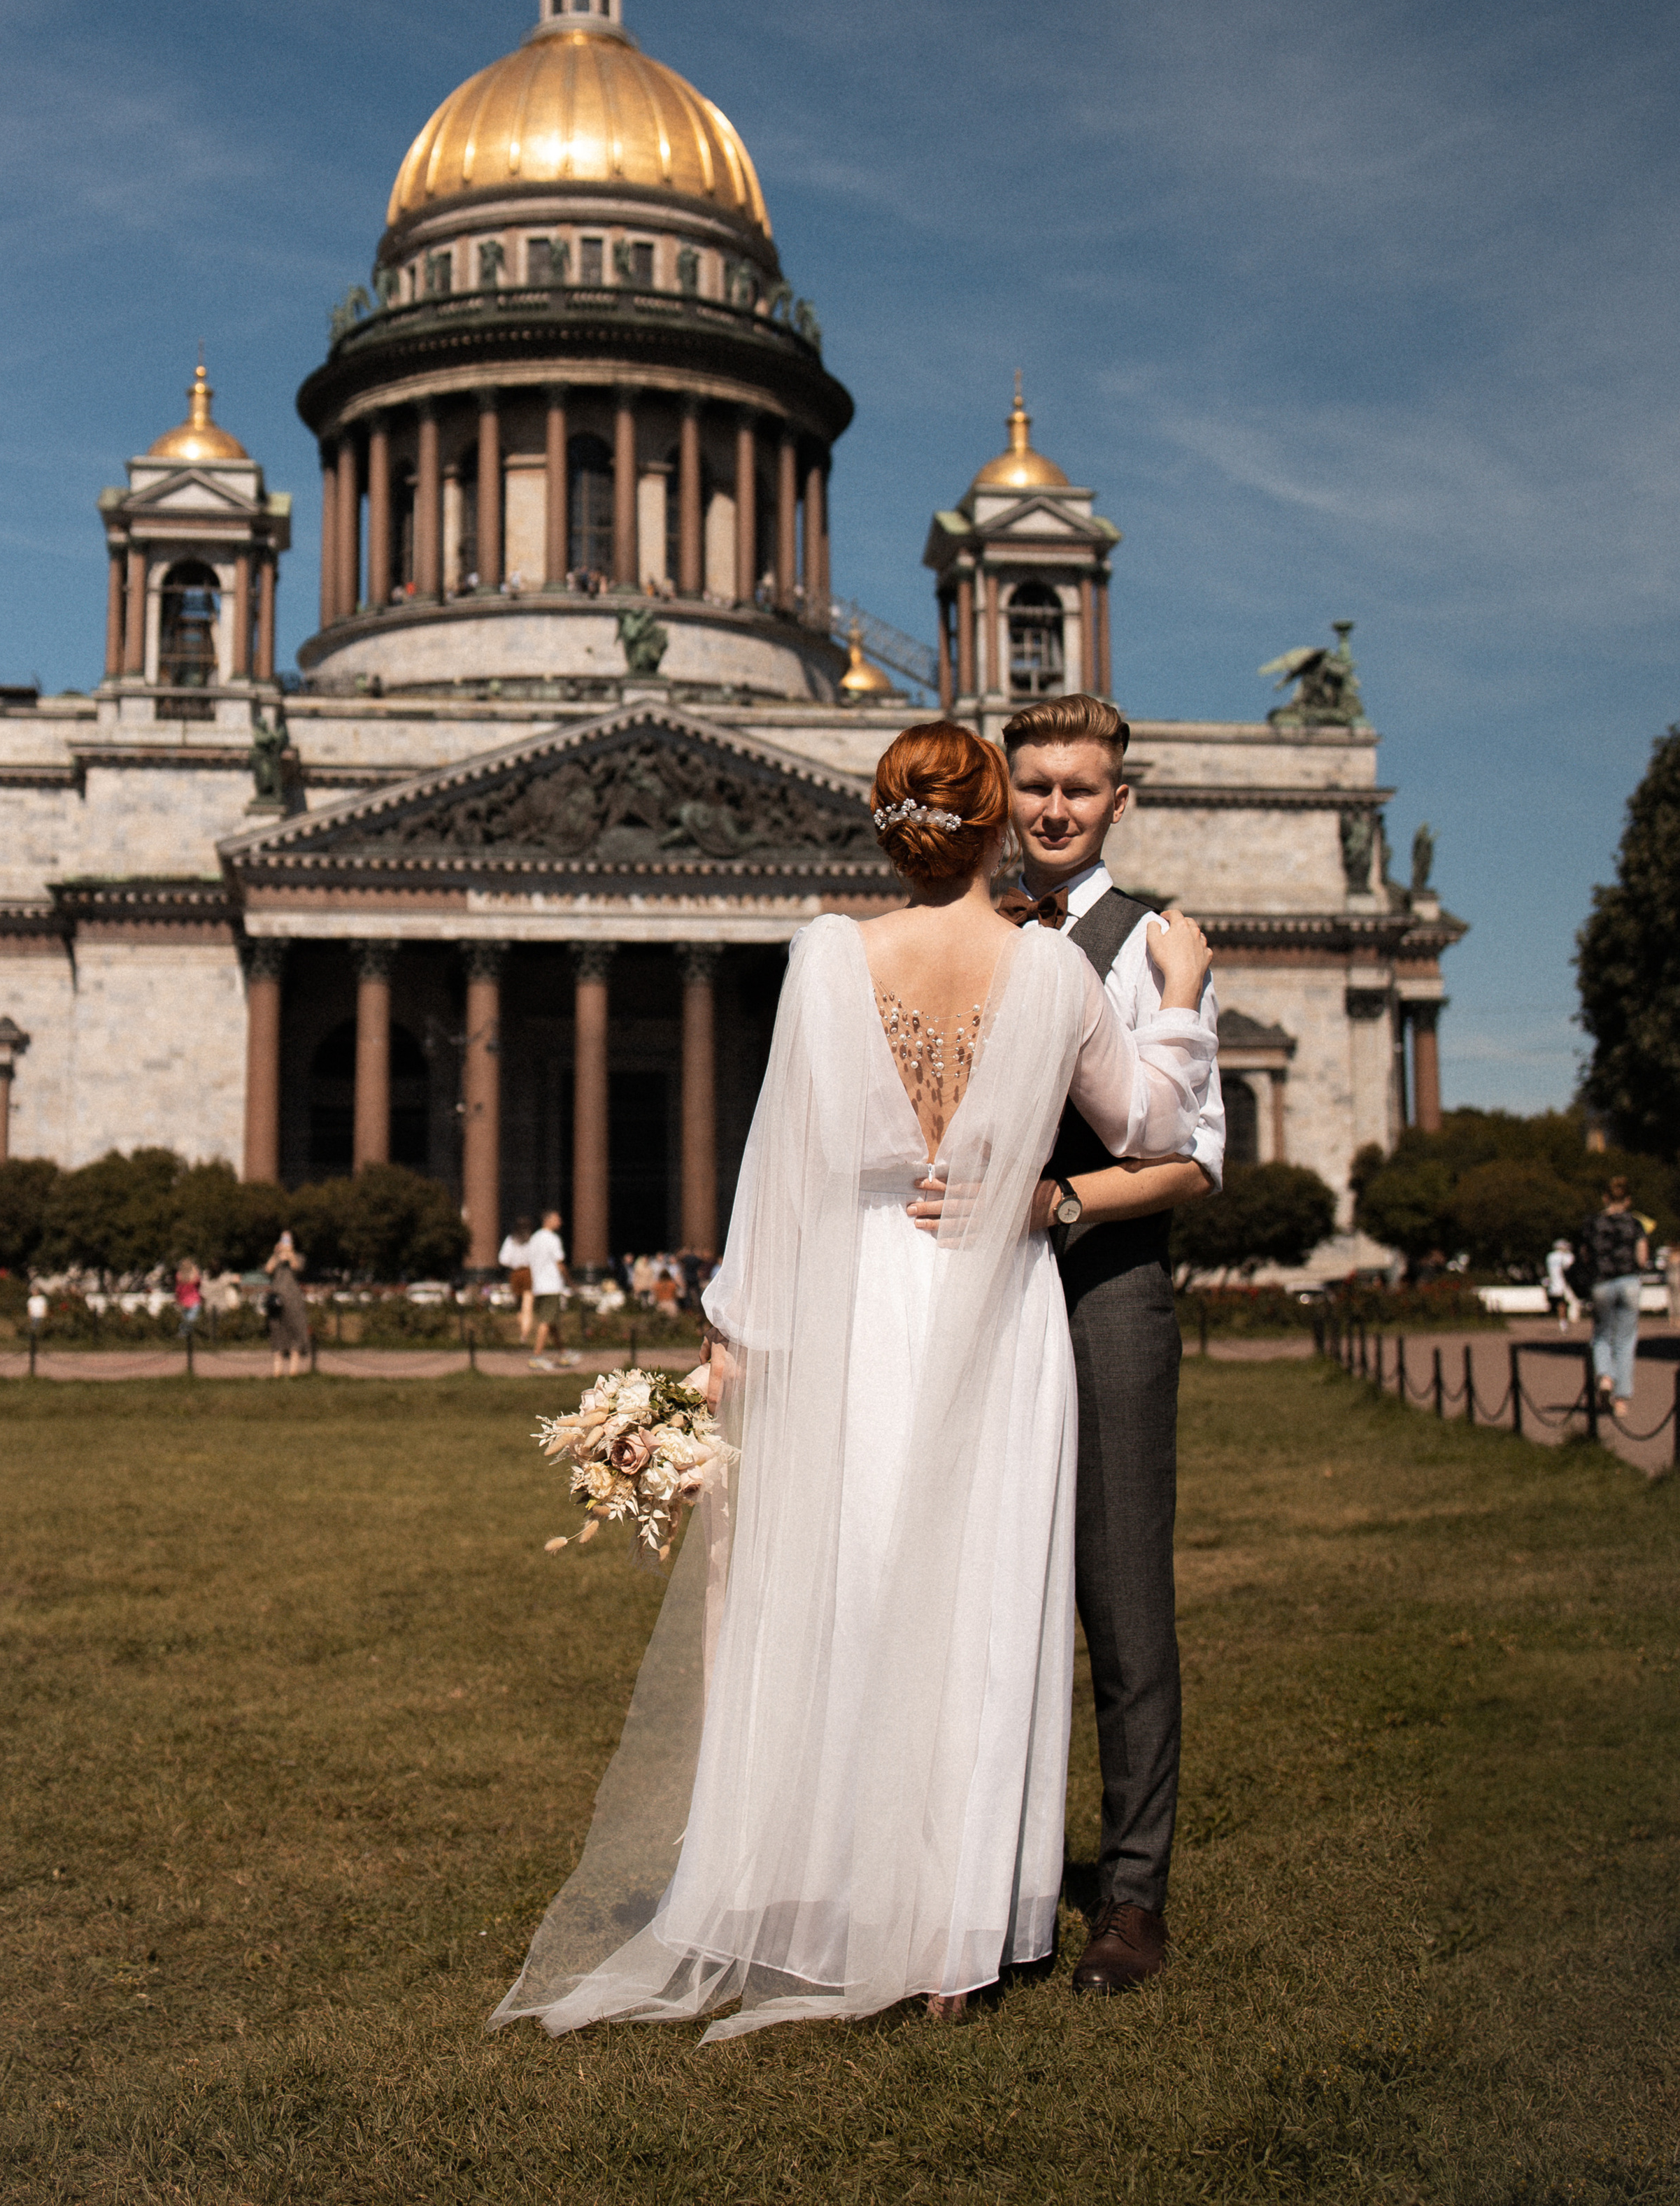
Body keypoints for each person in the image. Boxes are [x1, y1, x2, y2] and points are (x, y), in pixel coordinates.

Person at [491, 720, 1214, 2041]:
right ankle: (950, 1941)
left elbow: (782, 1170)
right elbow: (1154, 1129)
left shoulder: (827, 956)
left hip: (864, 1298)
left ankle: (830, 1906)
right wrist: (1175, 991)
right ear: (997, 825)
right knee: (984, 1607)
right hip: (994, 1299)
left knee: (860, 1590)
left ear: (887, 829)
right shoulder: (1052, 971)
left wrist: (738, 1339)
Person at [921, 692, 1225, 1998]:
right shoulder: (971, 930)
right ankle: (988, 1877)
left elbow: (1196, 1165)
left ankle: (1133, 1896)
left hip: (1104, 1289)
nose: (1052, 808)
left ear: (1118, 803)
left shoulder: (1155, 942)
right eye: (1034, 785)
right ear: (1006, 790)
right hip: (978, 1294)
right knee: (985, 1590)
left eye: (1078, 790)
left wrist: (1061, 1203)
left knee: (1120, 1599)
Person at [1582, 1178, 1646, 1421]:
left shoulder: (1592, 1223)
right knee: (1626, 1341)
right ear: (1628, 1200)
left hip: (1601, 1283)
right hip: (1629, 1282)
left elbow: (1586, 1256)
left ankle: (1606, 1377)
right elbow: (1642, 1258)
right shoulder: (1636, 1224)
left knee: (1601, 1336)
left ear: (1605, 1198)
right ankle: (1621, 1400)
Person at [526, 1209, 574, 1371]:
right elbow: (559, 1262)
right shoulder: (553, 1239)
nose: (560, 1221)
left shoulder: (534, 1238)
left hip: (538, 1285)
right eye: (557, 1218)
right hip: (551, 1285)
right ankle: (537, 1355)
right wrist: (570, 1281)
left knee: (551, 1320)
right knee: (546, 1321)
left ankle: (563, 1352)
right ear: (549, 1220)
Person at [264, 1231, 312, 1379]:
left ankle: (294, 1371)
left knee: (295, 1331)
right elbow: (268, 1270)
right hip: (277, 1299)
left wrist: (290, 1254)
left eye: (287, 1240)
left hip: (293, 1299)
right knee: (277, 1331)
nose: (284, 1243)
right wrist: (275, 1254)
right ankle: (277, 1372)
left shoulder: (298, 1256)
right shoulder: (277, 1258)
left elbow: (298, 1268)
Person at [499, 1218, 535, 1344]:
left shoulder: (511, 1241)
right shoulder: (533, 1241)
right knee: (528, 1305)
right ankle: (524, 1334)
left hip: (515, 1273)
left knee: (520, 1305)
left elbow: (504, 1259)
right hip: (528, 1272)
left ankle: (523, 1332)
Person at [1544, 1238, 1576, 1328]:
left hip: (1555, 1284)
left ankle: (1563, 1323)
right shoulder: (1567, 1256)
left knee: (1561, 1304)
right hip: (1567, 1284)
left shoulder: (1550, 1257)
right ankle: (1570, 1320)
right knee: (1569, 1302)